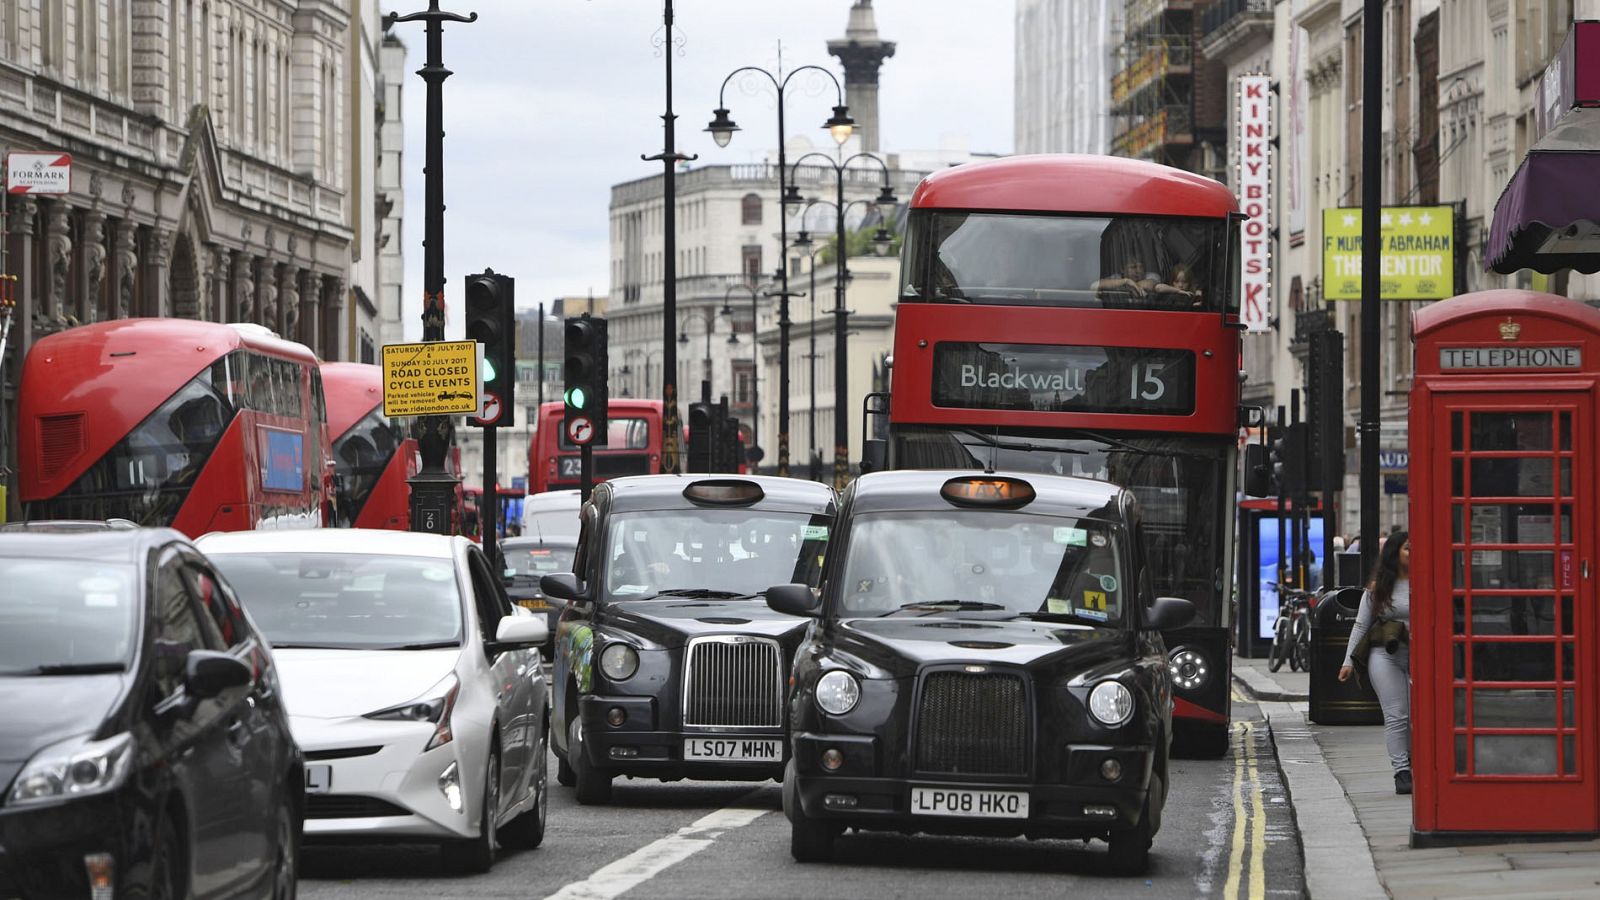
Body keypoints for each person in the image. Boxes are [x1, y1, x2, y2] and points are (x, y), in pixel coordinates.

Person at [1338, 531, 1412, 794]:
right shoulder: (1378, 588)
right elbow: (1361, 626)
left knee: (1417, 716)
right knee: (1397, 715)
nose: (1413, 552)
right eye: (1407, 548)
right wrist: (1347, 662)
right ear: (1394, 554)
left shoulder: (1427, 580)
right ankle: (1401, 772)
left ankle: (1416, 764)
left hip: (1421, 657)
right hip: (1385, 656)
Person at [1090, 259, 1157, 299]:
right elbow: (1094, 286)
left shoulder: (1151, 275)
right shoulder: (1116, 278)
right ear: (1122, 269)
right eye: (1133, 267)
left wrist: (1131, 285)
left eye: (1141, 267)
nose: (1138, 271)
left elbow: (1149, 284)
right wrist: (1126, 281)